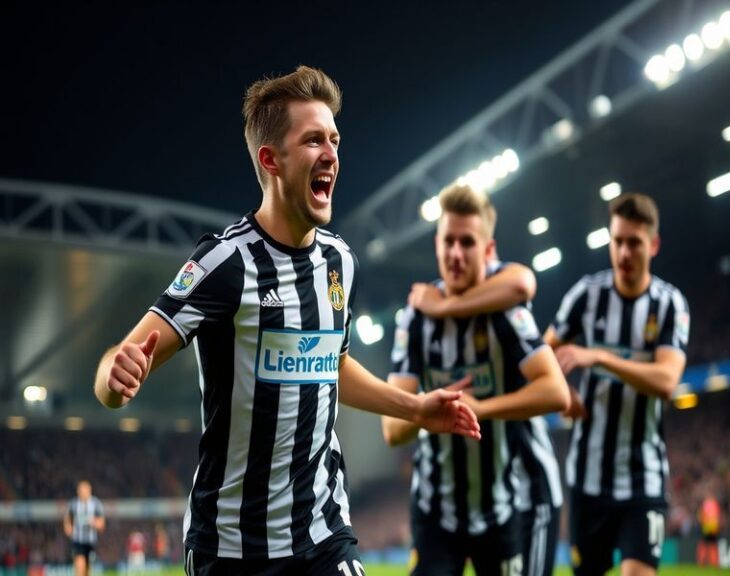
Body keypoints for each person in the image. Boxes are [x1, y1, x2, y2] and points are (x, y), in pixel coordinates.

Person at [93, 65, 480, 576]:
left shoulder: (341, 262)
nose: (332, 155)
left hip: (323, 532)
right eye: (314, 140)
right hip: (233, 548)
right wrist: (113, 379)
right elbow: (116, 370)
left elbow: (332, 365)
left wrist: (415, 409)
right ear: (271, 159)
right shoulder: (225, 263)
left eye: (335, 140)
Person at [382, 183, 570, 576]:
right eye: (447, 241)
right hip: (436, 509)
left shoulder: (505, 309)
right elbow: (393, 429)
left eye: (466, 242)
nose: (454, 253)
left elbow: (556, 392)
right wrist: (427, 409)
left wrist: (482, 408)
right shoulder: (414, 319)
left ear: (488, 250)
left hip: (507, 503)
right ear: (435, 244)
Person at [543, 192, 689, 576]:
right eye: (618, 241)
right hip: (587, 482)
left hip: (644, 480)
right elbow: (538, 356)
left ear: (653, 245)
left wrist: (601, 356)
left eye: (634, 243)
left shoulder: (669, 305)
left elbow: (668, 380)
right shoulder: (586, 296)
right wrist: (563, 393)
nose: (624, 252)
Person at [63, 480, 105, 576]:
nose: (83, 492)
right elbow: (67, 518)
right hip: (78, 541)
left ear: (89, 490)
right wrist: (68, 527)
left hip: (91, 541)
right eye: (81, 490)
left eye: (85, 490)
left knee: (87, 570)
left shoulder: (96, 504)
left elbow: (102, 523)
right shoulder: (73, 504)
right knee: (80, 566)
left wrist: (94, 523)